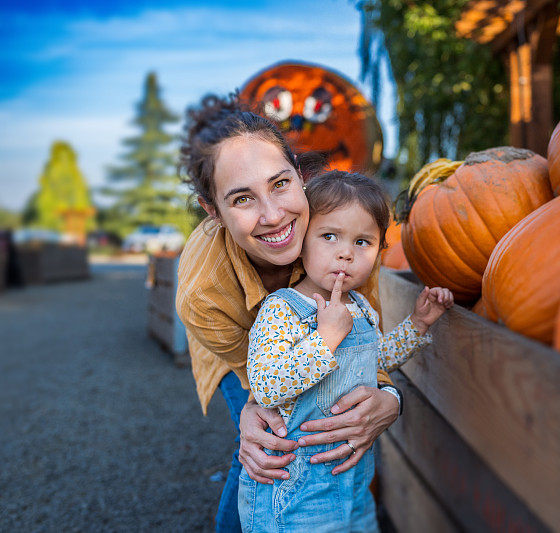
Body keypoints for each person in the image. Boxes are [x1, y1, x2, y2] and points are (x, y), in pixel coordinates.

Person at [176, 94, 406, 533]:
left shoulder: (340, 235)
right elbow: (262, 380)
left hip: (322, 344)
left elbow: (363, 337)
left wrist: (391, 399)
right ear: (214, 211)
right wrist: (252, 408)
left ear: (300, 176)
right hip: (238, 350)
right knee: (262, 448)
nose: (274, 215)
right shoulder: (203, 293)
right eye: (242, 199)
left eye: (280, 184)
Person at [240, 171, 454, 531]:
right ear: (302, 240)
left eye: (362, 242)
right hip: (296, 487)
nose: (345, 253)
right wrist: (324, 339)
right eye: (329, 236)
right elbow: (266, 386)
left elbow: (374, 360)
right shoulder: (282, 309)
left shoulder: (359, 306)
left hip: (353, 477)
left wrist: (418, 324)